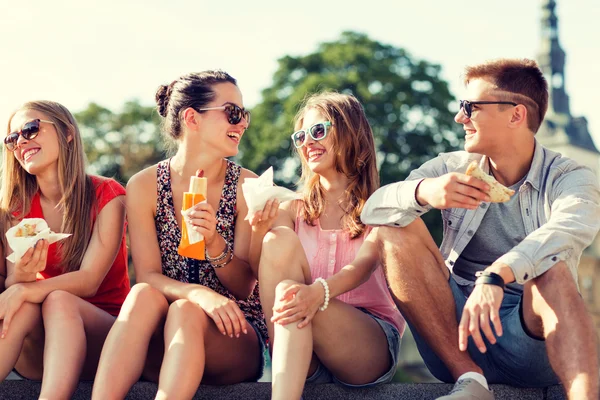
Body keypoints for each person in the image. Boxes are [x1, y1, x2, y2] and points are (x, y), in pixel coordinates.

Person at [361, 58, 600, 400]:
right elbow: (372, 211)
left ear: (516, 115)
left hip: (531, 342)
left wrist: (497, 275)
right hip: (456, 337)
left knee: (554, 270)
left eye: (470, 107)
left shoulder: (570, 177)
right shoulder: (450, 167)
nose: (460, 117)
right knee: (393, 227)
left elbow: (566, 230)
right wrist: (423, 191)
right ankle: (471, 381)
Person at [92, 70, 267, 400]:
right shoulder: (144, 186)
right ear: (192, 118)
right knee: (145, 294)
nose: (242, 123)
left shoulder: (247, 186)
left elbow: (244, 286)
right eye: (233, 112)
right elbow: (147, 276)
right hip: (164, 337)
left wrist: (215, 242)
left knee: (185, 311)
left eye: (245, 114)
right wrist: (196, 294)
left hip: (233, 334)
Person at [250, 92, 405, 400]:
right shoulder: (291, 208)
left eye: (318, 131)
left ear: (350, 133)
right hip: (300, 341)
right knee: (276, 242)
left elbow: (362, 268)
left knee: (295, 297)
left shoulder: (382, 206)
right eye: (300, 136)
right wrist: (258, 230)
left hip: (366, 344)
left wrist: (316, 293)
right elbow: (263, 271)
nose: (308, 142)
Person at [0, 100, 130, 399]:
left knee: (58, 299)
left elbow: (89, 280)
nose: (21, 142)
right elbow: (14, 288)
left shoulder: (107, 195)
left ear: (67, 133)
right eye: (12, 138)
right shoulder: (16, 209)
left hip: (106, 342)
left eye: (30, 129)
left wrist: (23, 290)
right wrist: (21, 278)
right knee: (26, 305)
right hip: (40, 348)